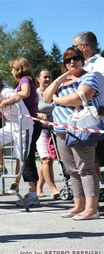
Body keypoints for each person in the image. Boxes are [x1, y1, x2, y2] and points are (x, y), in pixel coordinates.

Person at [43, 47, 100, 220]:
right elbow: (46, 98)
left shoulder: (91, 76)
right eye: (67, 60)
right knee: (72, 170)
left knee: (86, 168)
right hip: (61, 131)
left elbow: (80, 97)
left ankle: (92, 208)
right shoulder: (63, 81)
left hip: (80, 129)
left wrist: (57, 100)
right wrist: (60, 79)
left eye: (75, 58)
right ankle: (78, 205)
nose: (72, 62)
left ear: (82, 59)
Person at [0, 74, 34, 201]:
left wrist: (5, 101)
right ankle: (1, 167)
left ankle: (15, 183)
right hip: (11, 125)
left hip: (23, 126)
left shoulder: (6, 91)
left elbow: (17, 97)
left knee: (19, 155)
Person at [8, 57, 41, 207]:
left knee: (27, 158)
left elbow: (25, 93)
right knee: (25, 157)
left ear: (19, 69)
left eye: (13, 68)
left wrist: (9, 98)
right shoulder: (27, 80)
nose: (11, 71)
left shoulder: (25, 80)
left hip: (29, 125)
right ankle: (32, 192)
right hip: (27, 125)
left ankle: (33, 194)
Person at [72, 31, 104, 184]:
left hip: (101, 120)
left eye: (75, 46)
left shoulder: (100, 64)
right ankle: (98, 196)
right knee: (93, 162)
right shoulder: (81, 66)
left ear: (83, 46)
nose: (73, 50)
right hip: (89, 122)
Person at [35, 69, 60, 199]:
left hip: (55, 130)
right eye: (44, 77)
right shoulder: (35, 94)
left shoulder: (55, 92)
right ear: (38, 79)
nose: (47, 79)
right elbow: (29, 110)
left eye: (49, 77)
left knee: (48, 161)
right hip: (41, 129)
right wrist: (39, 114)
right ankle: (53, 188)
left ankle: (39, 188)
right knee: (46, 159)